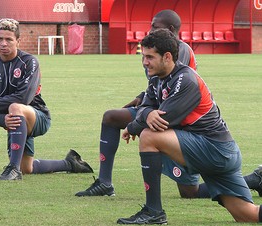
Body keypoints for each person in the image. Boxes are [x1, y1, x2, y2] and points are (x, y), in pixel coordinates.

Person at [75, 10, 262, 198]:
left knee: (190, 192)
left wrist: (136, 123)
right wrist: (143, 99)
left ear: (170, 30)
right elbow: (158, 84)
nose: (150, 30)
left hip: (174, 115)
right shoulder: (155, 48)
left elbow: (174, 92)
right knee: (112, 117)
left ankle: (251, 180)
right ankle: (105, 182)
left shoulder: (178, 52)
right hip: (157, 108)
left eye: (155, 26)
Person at [117, 28, 262, 225]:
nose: (145, 62)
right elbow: (144, 107)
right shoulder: (156, 80)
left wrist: (135, 125)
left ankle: (153, 212)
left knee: (149, 136)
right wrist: (146, 113)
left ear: (167, 57)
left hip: (216, 150)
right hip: (213, 151)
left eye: (150, 57)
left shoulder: (186, 79)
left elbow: (162, 120)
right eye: (143, 56)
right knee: (248, 216)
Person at [0, 18, 93, 180]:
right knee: (27, 168)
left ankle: (13, 170)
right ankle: (70, 163)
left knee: (16, 107)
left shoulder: (29, 62)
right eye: (0, 38)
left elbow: (22, 98)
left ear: (18, 40)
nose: (3, 43)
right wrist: (3, 120)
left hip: (38, 116)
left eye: (9, 39)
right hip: (16, 121)